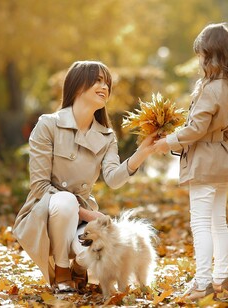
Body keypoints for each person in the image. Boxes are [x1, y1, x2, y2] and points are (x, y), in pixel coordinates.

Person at [12, 60, 156, 293]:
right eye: (98, 80)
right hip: (46, 213)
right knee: (66, 201)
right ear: (78, 86)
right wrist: (87, 213)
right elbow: (39, 186)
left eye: (107, 83)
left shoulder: (107, 136)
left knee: (92, 250)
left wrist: (143, 152)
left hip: (81, 223)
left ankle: (79, 267)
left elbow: (113, 179)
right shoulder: (48, 125)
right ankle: (61, 272)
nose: (105, 87)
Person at [154, 23, 228, 301]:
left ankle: (203, 282)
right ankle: (221, 278)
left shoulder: (210, 88)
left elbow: (195, 128)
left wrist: (167, 142)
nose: (199, 61)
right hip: (222, 158)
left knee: (200, 224)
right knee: (218, 221)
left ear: (212, 55)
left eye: (202, 55)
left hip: (204, 161)